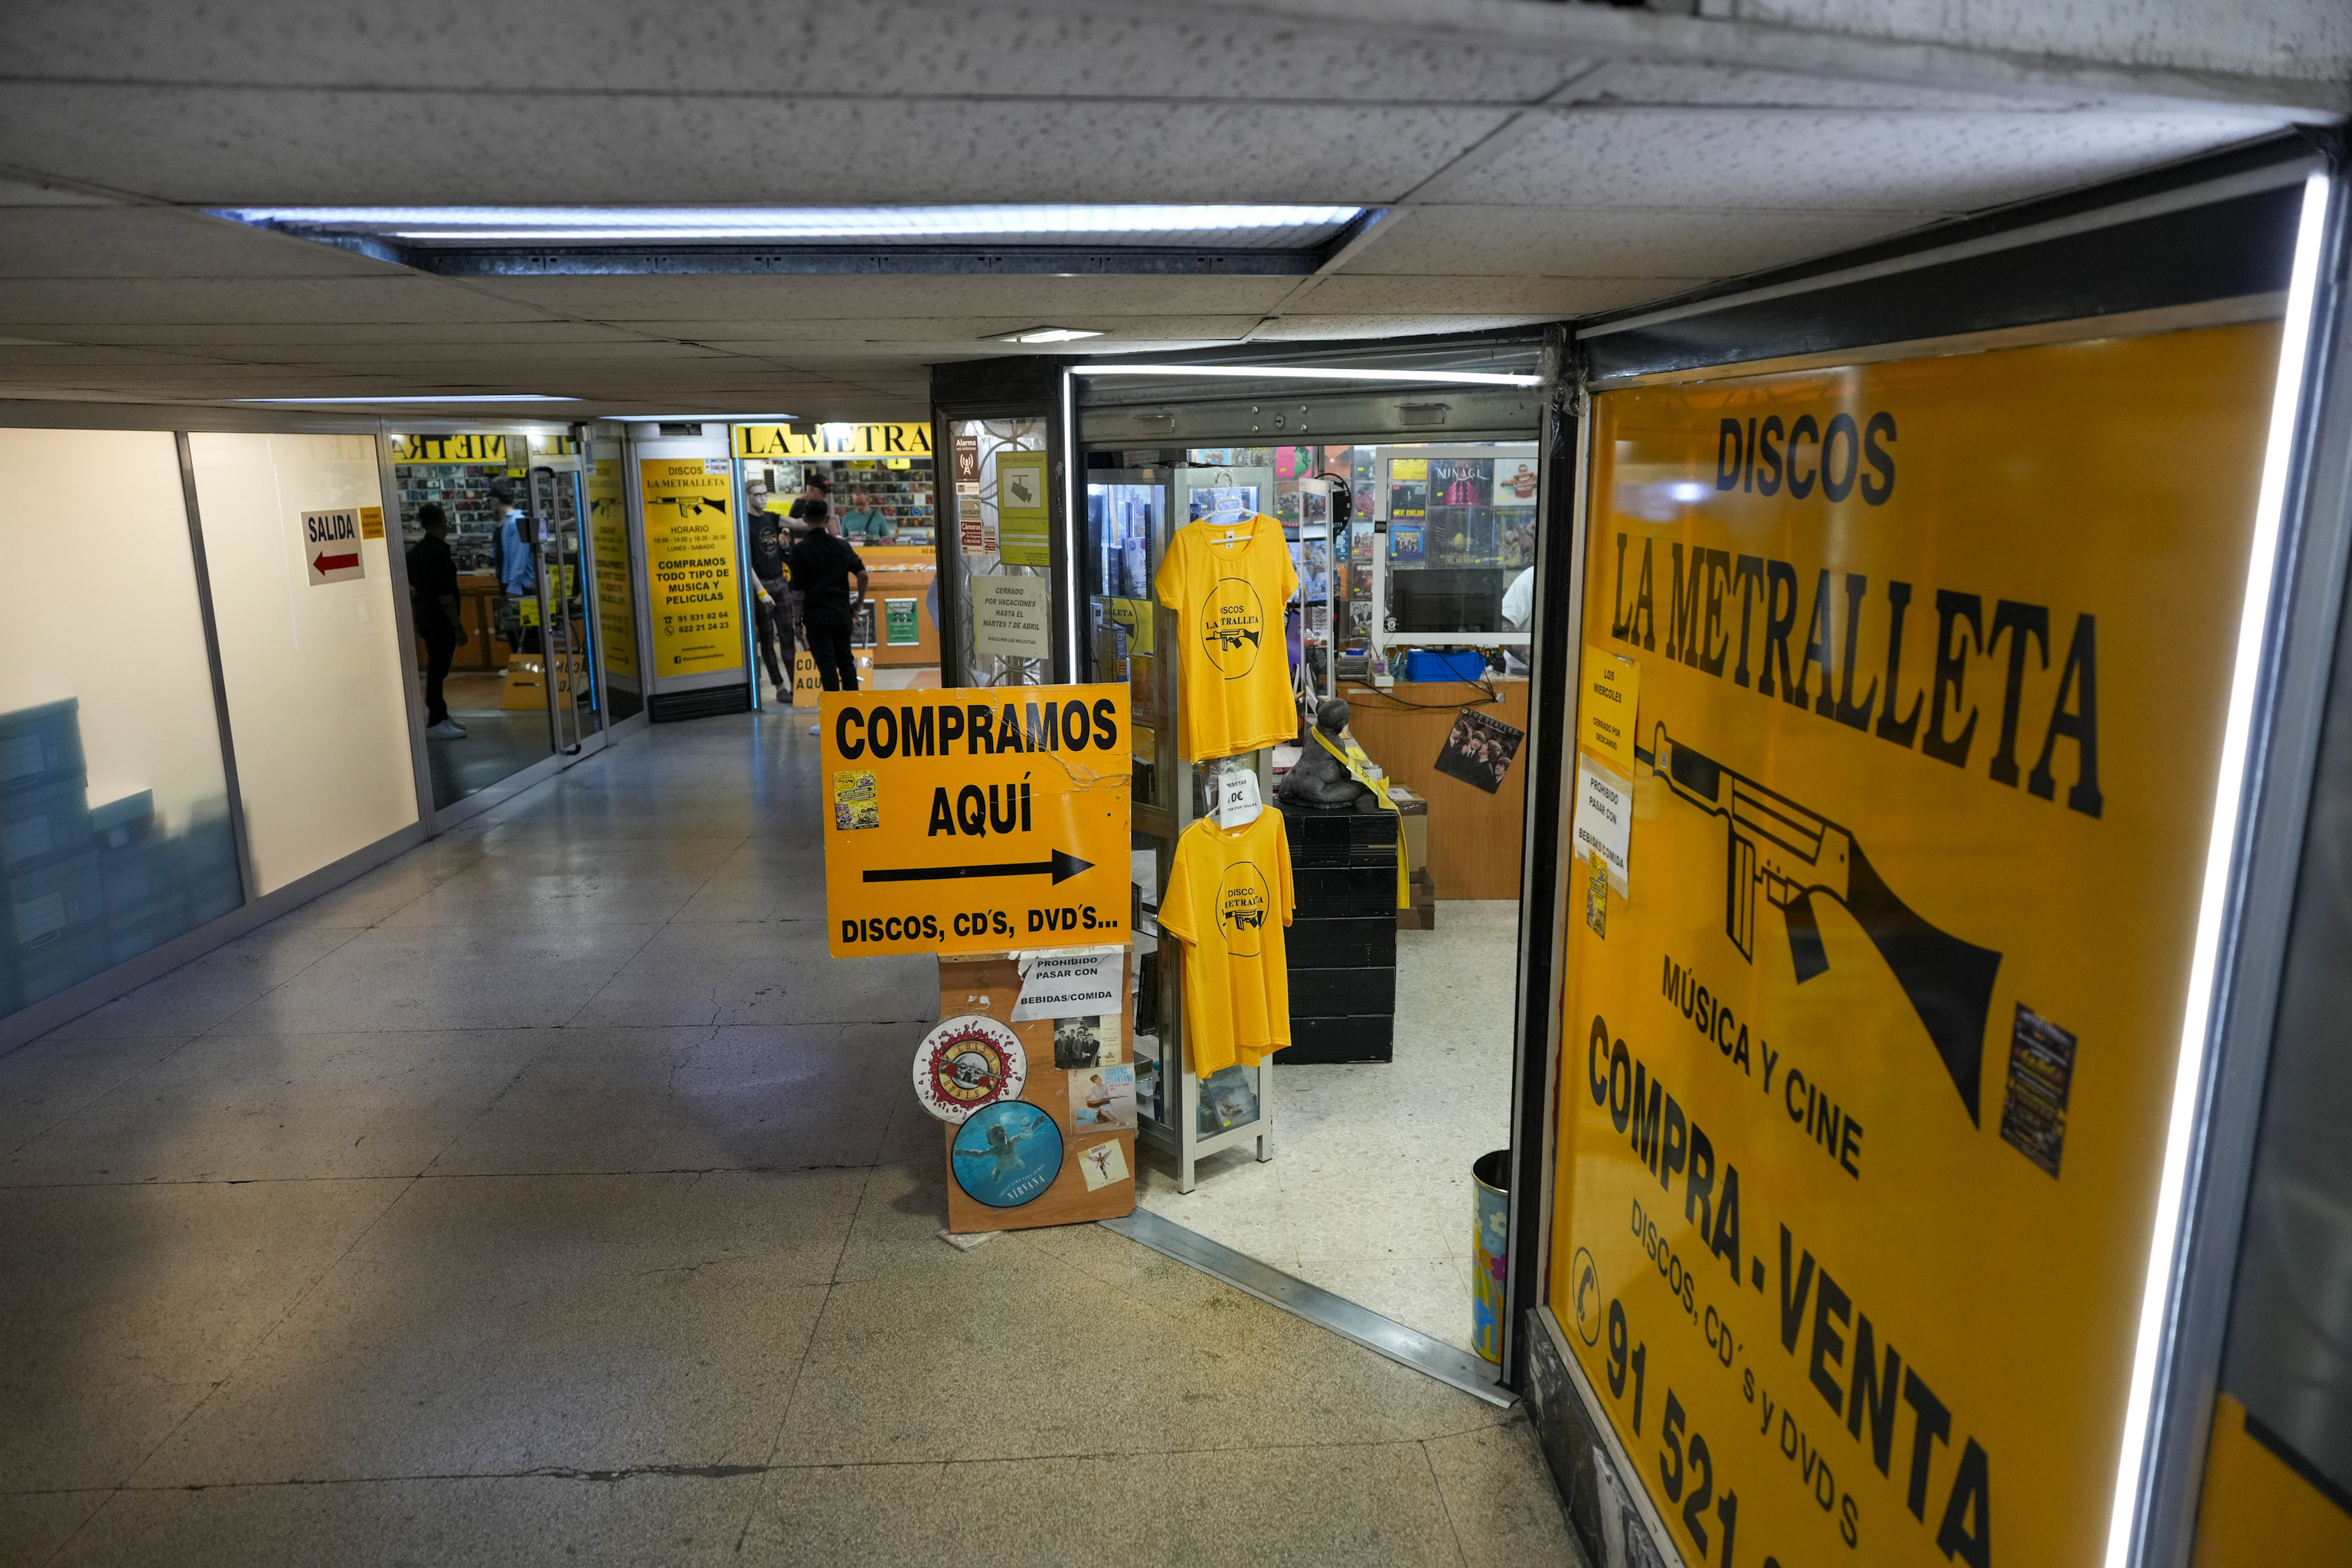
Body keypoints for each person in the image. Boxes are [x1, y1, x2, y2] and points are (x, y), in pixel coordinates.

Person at [786, 498, 867, 724]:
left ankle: (835, 721)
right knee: (846, 663)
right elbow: (863, 575)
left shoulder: (800, 550)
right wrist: (859, 602)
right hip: (842, 614)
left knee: (827, 668)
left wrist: (797, 622)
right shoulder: (841, 546)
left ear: (804, 519)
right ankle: (857, 715)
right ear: (827, 519)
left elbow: (799, 593)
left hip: (816, 618)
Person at [406, 504, 469, 740]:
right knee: (438, 669)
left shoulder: (417, 552)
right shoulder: (438, 554)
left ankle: (440, 713)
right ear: (441, 522)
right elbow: (445, 594)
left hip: (425, 618)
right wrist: (458, 626)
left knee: (437, 667)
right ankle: (436, 719)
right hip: (440, 621)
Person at [745, 479, 796, 701]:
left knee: (788, 635)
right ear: (747, 496)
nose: (763, 498)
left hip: (779, 579)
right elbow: (745, 561)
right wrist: (760, 591)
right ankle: (779, 686)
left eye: (765, 493)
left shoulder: (771, 517)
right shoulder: (744, 522)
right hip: (762, 583)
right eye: (758, 495)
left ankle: (797, 683)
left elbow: (796, 523)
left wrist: (819, 517)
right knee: (766, 638)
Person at [486, 482, 538, 653]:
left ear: (495, 500)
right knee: (514, 634)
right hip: (511, 584)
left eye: (489, 501)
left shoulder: (516, 522)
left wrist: (513, 587)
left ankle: (531, 673)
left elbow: (519, 557)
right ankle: (522, 672)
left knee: (525, 637)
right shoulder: (505, 523)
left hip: (520, 587)